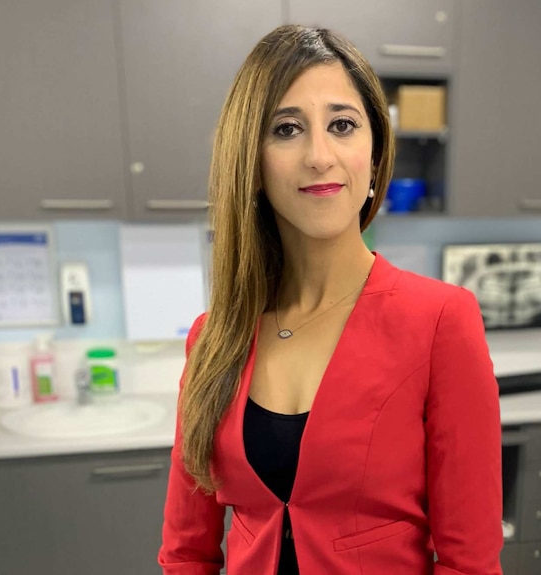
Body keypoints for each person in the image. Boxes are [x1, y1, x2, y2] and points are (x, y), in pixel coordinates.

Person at [159, 24, 503, 575]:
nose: (320, 155)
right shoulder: (213, 338)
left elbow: (470, 562)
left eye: (342, 125)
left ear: (374, 153)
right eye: (286, 128)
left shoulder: (441, 322)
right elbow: (185, 554)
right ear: (251, 161)